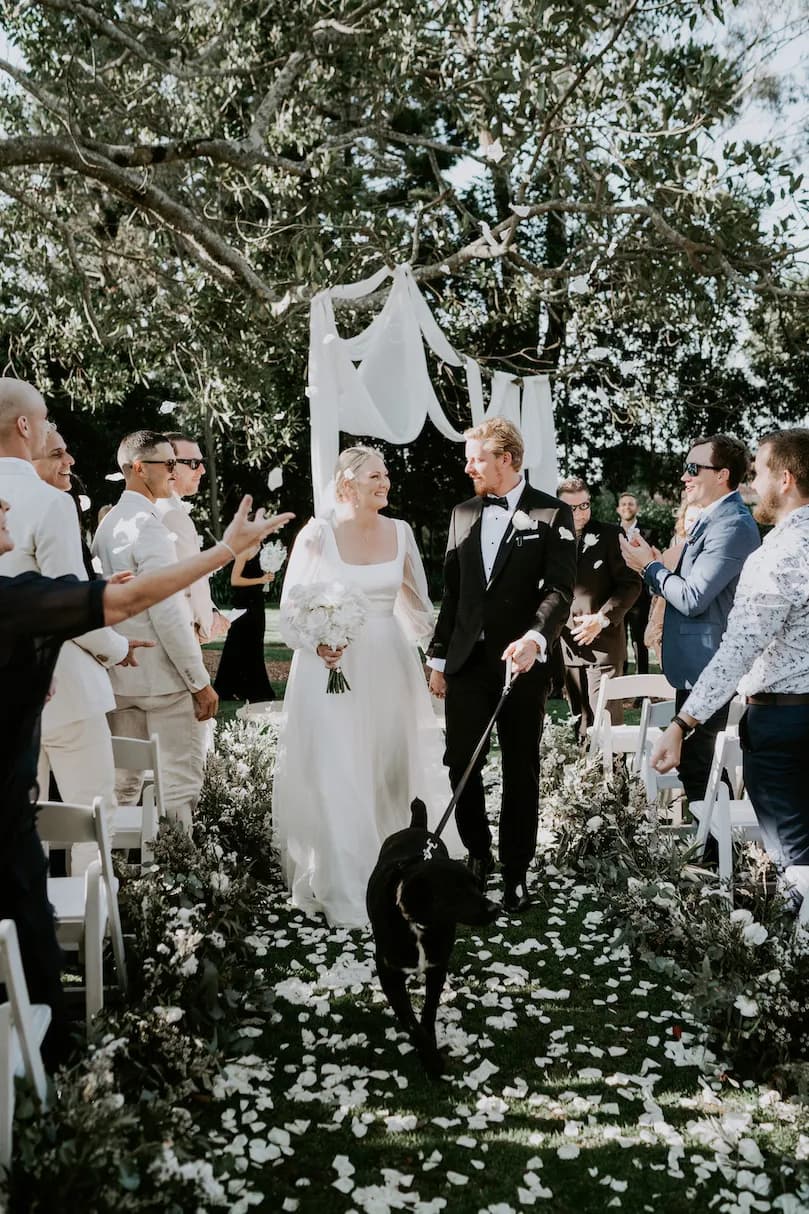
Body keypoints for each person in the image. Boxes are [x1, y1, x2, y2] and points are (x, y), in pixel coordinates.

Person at [0, 492, 292, 1066]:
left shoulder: (19, 602)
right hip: (8, 833)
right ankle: (47, 1094)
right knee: (37, 985)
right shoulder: (14, 601)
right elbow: (132, 597)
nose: (10, 507)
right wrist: (227, 549)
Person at [272, 446, 460, 928]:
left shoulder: (400, 532)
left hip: (388, 662)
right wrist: (317, 645)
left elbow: (417, 606)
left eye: (387, 475)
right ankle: (344, 880)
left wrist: (435, 658)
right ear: (346, 484)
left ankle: (399, 868)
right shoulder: (317, 534)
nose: (386, 482)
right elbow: (292, 607)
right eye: (375, 475)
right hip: (331, 667)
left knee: (392, 766)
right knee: (341, 767)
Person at [651, 429, 809, 908]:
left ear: (785, 479)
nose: (751, 484)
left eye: (758, 473)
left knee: (796, 860)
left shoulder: (774, 556)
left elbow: (738, 650)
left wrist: (682, 722)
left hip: (784, 726)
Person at [428, 417, 576, 913]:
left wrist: (535, 639)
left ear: (506, 459)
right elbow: (453, 594)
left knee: (520, 768)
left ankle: (516, 871)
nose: (468, 466)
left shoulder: (552, 514)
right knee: (460, 766)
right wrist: (438, 658)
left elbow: (559, 589)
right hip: (468, 662)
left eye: (477, 458)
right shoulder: (462, 512)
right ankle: (477, 854)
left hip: (524, 666)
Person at [0, 386, 143, 871]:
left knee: (20, 827)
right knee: (90, 817)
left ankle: (24, 937)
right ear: (24, 427)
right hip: (61, 690)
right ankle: (95, 938)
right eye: (43, 423)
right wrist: (117, 646)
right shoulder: (49, 503)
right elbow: (70, 609)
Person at [620, 433, 760, 803]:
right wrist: (653, 563)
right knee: (698, 767)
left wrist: (649, 567)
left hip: (711, 665)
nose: (684, 476)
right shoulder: (710, 519)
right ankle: (716, 852)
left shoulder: (731, 524)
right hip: (694, 666)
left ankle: (718, 855)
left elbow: (694, 598)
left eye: (693, 468)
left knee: (702, 764)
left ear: (722, 474)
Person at [92, 431, 218, 829]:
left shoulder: (108, 524)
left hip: (120, 677)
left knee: (123, 787)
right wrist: (198, 680)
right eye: (167, 464)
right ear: (139, 468)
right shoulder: (148, 527)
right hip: (163, 683)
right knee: (180, 791)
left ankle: (121, 880)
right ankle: (183, 882)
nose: (173, 471)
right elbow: (167, 610)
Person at [556, 477, 641, 742]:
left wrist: (602, 618)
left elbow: (631, 584)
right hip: (568, 647)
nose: (580, 513)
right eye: (572, 508)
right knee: (580, 728)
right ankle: (584, 783)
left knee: (607, 727)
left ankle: (616, 784)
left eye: (585, 505)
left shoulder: (610, 535)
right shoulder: (552, 538)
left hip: (603, 646)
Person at [158, 432, 230, 643]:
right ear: (169, 465)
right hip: (176, 635)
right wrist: (208, 625)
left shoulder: (160, 507)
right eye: (193, 463)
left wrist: (211, 610)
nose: (202, 470)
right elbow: (191, 579)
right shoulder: (171, 514)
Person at [213, 542, 275, 702]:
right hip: (244, 604)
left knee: (255, 644)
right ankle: (227, 688)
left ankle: (252, 688)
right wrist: (260, 579)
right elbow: (235, 580)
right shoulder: (244, 549)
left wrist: (268, 576)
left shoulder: (263, 549)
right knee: (237, 644)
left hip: (257, 602)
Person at [643, 497, 702, 660]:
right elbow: (657, 597)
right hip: (669, 627)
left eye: (699, 519)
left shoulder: (714, 554)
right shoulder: (670, 554)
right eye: (690, 519)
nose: (694, 524)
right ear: (682, 522)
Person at [616, 492, 652, 675]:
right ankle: (620, 681)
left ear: (636, 508)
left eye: (630, 504)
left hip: (640, 596)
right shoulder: (612, 532)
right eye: (623, 504)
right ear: (618, 509)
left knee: (639, 641)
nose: (627, 507)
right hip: (618, 596)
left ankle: (642, 684)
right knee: (618, 642)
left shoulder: (648, 532)